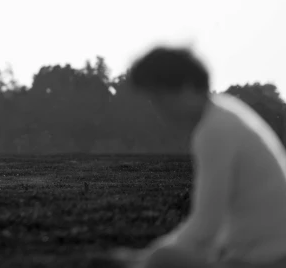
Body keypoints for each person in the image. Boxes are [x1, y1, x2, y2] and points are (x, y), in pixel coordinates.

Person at [101, 46, 286, 268]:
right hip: (262, 249)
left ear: (187, 87)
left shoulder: (214, 131)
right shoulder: (225, 114)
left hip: (265, 258)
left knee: (162, 260)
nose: (159, 109)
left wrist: (149, 257)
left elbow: (206, 225)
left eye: (161, 97)